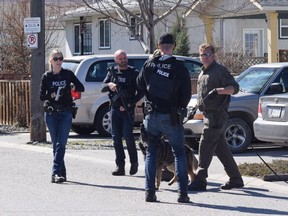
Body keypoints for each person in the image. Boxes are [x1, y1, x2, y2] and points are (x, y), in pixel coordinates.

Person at [136, 33, 191, 203]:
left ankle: (150, 192)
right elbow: (186, 95)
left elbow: (139, 85)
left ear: (159, 46)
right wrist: (178, 107)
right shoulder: (180, 67)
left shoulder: (150, 64)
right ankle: (182, 194)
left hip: (152, 115)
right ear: (173, 46)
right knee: (179, 153)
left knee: (151, 153)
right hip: (171, 115)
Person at [188, 43, 244, 191]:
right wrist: (195, 108)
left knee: (205, 143)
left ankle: (200, 179)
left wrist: (220, 90)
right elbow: (202, 96)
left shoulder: (220, 71)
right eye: (202, 55)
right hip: (207, 114)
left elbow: (235, 88)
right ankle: (236, 178)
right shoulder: (202, 73)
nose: (205, 57)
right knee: (220, 148)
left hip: (217, 114)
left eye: (208, 54)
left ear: (213, 55)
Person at [40, 49, 85, 183]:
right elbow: (41, 96)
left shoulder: (68, 74)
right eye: (56, 59)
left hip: (65, 112)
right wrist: (51, 95)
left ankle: (54, 174)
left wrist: (71, 87)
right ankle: (62, 173)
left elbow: (81, 87)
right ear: (51, 61)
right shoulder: (46, 76)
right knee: (56, 145)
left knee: (61, 143)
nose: (59, 61)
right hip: (52, 113)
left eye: (61, 58)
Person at [102, 50, 143, 176]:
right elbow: (103, 87)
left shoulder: (134, 73)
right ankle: (120, 166)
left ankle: (134, 163)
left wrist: (130, 104)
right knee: (116, 139)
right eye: (120, 58)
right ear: (116, 60)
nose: (123, 60)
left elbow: (141, 92)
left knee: (128, 137)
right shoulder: (112, 72)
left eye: (125, 57)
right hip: (115, 109)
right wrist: (110, 84)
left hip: (128, 110)